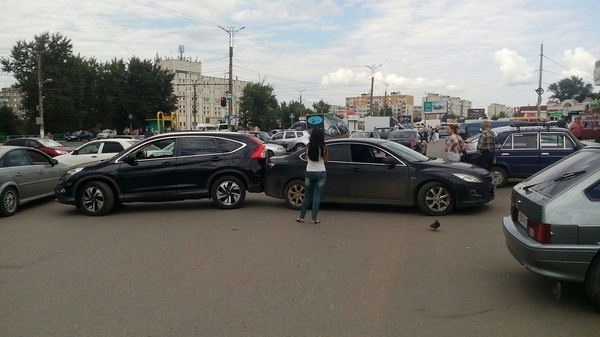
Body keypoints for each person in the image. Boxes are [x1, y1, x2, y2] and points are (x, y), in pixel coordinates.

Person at [296, 128, 328, 224]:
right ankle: (314, 219)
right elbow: (326, 159)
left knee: (307, 195)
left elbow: (306, 157)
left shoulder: (308, 146)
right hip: (321, 172)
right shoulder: (324, 147)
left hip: (309, 172)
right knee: (317, 196)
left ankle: (301, 217)